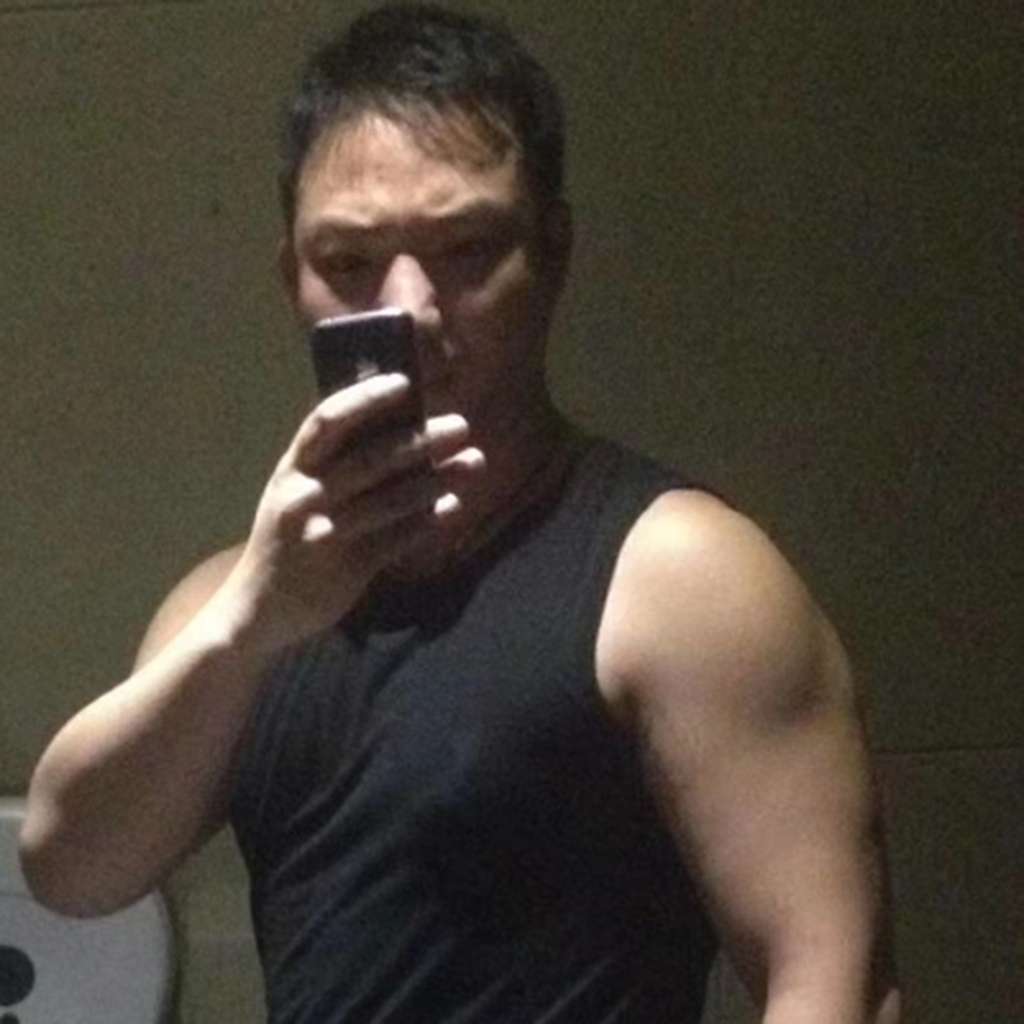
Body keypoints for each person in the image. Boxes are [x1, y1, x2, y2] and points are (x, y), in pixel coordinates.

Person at [20, 5, 900, 1022]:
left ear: (552, 253)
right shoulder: (238, 606)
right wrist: (252, 623)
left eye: (467, 248)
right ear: (291, 278)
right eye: (349, 261)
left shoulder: (675, 576)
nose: (410, 308)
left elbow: (833, 981)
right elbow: (69, 870)